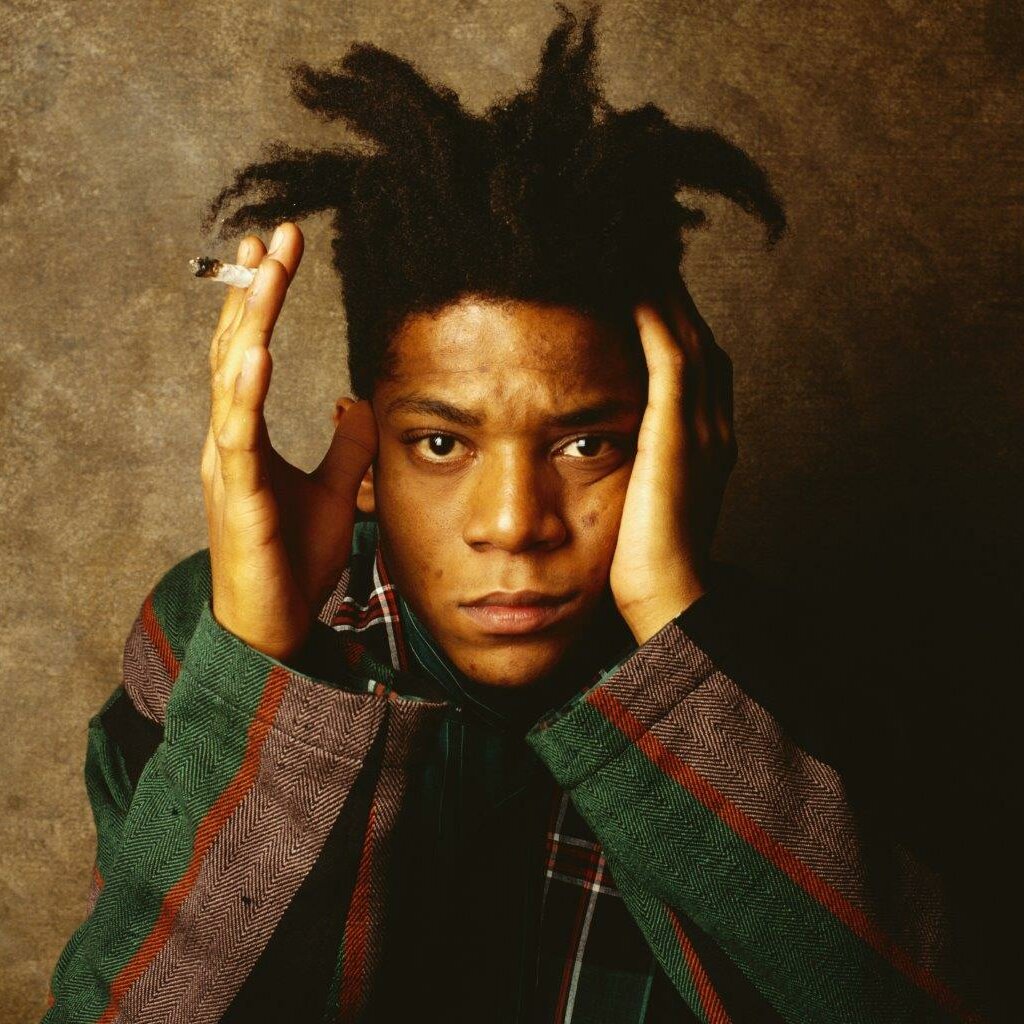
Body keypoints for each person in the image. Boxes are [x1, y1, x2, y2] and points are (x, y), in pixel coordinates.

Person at [42, 4, 994, 1022]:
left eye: (586, 445)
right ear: (365, 458)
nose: (512, 523)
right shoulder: (207, 641)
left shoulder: (790, 681)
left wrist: (678, 634)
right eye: (440, 444)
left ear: (680, 444)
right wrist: (256, 669)